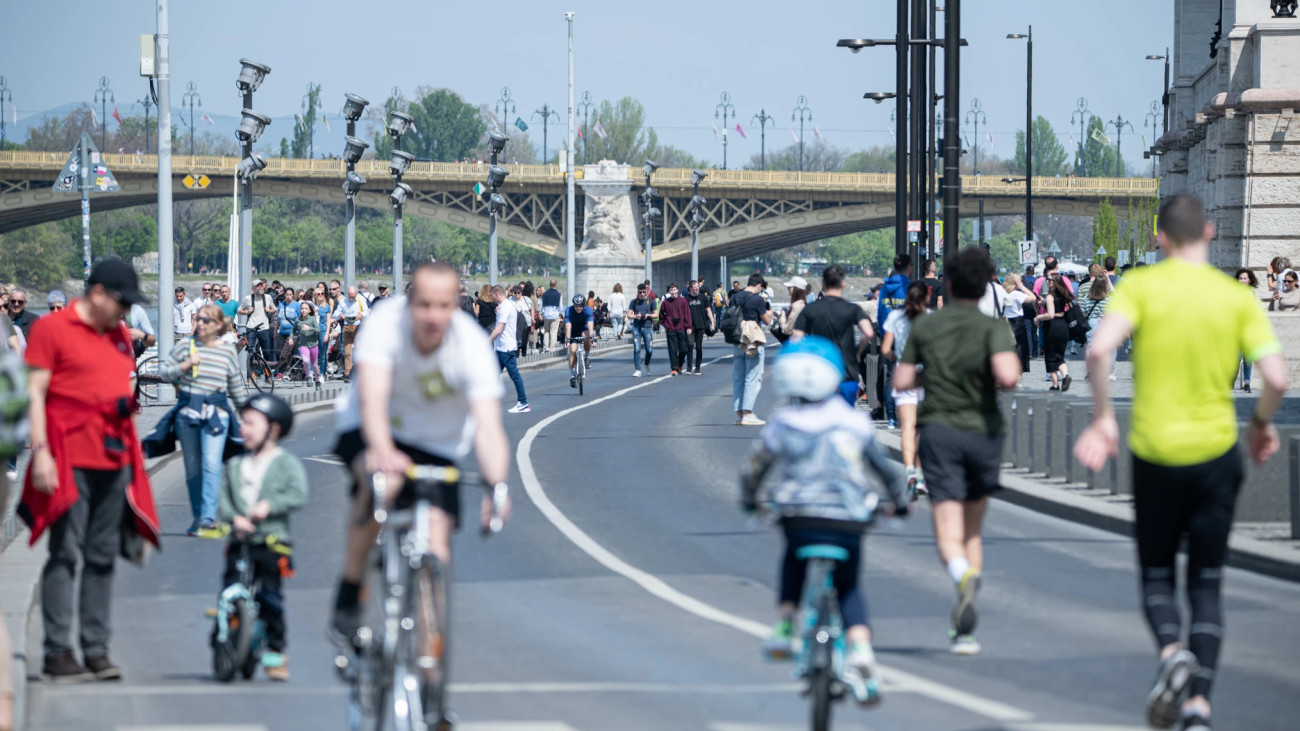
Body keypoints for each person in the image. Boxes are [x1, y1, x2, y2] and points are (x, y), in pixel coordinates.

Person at [1074, 195, 1287, 731]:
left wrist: (1103, 419)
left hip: (1156, 453)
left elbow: (1098, 351)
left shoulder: (1143, 286)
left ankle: (1171, 654)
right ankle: (1198, 708)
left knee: (1157, 576)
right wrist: (1260, 425)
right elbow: (1277, 378)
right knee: (1208, 584)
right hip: (1218, 454)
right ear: (1210, 233)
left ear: (1160, 238)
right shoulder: (1234, 295)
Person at [330, 263, 513, 645]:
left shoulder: (470, 344)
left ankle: (430, 676)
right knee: (383, 483)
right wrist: (382, 450)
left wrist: (497, 485)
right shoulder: (385, 325)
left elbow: (489, 427)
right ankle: (350, 591)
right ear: (409, 302)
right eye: (424, 305)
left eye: (443, 306)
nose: (433, 316)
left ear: (457, 303)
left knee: (437, 544)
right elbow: (372, 399)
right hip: (372, 425)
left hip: (436, 442)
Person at [740, 336, 909, 707]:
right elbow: (886, 472)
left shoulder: (784, 421)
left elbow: (755, 470)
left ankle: (786, 625)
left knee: (793, 560)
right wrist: (899, 505)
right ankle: (862, 652)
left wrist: (752, 502)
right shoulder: (853, 421)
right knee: (848, 585)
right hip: (848, 519)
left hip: (798, 516)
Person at [20, 259, 162, 683]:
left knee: (102, 555)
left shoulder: (118, 332)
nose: (126, 313)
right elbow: (35, 392)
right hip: (68, 453)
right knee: (65, 550)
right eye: (121, 303)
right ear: (97, 293)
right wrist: (40, 452)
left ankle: (96, 649)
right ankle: (58, 652)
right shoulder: (51, 329)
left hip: (114, 456)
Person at [893, 246, 1019, 656]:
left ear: (946, 283)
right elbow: (1008, 376)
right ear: (985, 286)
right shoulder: (993, 327)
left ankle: (961, 576)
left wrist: (936, 369)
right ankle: (965, 626)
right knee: (973, 529)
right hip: (983, 431)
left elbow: (902, 379)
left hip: (940, 431)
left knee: (947, 529)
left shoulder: (928, 327)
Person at [216, 394, 308, 682]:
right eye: (243, 422)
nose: (243, 428)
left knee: (271, 600)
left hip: (271, 543)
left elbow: (298, 493)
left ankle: (275, 653)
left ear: (274, 430)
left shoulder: (285, 463)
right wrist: (235, 517)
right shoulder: (234, 465)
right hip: (240, 541)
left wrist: (270, 505)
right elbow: (224, 500)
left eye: (251, 423)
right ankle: (222, 639)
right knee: (228, 593)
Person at [156, 304, 247, 534]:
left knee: (210, 464)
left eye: (206, 320)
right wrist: (185, 364)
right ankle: (198, 517)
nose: (201, 324)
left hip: (217, 413)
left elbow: (236, 387)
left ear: (218, 325)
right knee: (194, 468)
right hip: (188, 412)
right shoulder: (185, 345)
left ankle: (207, 517)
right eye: (198, 319)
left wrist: (248, 417)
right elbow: (165, 372)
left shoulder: (227, 350)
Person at [793, 265, 875, 409]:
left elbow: (796, 339)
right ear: (843, 284)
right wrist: (857, 352)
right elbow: (868, 332)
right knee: (844, 419)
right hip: (846, 373)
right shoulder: (852, 309)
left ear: (823, 284)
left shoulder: (810, 309)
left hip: (819, 373)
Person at [881, 281, 929, 496]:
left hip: (904, 375)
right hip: (926, 377)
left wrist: (895, 357)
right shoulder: (931, 318)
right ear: (926, 297)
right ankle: (919, 474)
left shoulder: (895, 317)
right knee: (922, 429)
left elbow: (885, 349)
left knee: (907, 428)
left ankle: (909, 471)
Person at [732, 273, 773, 426]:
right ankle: (748, 412)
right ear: (759, 285)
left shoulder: (736, 297)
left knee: (738, 376)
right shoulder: (757, 299)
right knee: (753, 376)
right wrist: (769, 313)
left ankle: (739, 411)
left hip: (737, 339)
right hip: (751, 340)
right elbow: (767, 321)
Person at [876, 255, 912, 425]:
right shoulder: (908, 286)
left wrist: (883, 333)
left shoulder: (884, 288)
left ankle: (890, 417)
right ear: (909, 267)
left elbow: (880, 312)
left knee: (891, 376)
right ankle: (905, 414)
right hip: (906, 335)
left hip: (887, 334)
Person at [487, 285, 531, 413]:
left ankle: (523, 402)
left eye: (492, 296)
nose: (491, 299)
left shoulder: (505, 307)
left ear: (496, 294)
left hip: (506, 348)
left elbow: (499, 329)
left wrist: (487, 342)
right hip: (502, 347)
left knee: (514, 375)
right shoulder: (506, 306)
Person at [1034, 273, 1075, 392]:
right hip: (1063, 326)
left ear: (1055, 282)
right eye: (1047, 280)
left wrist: (1038, 317)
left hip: (1052, 327)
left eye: (1050, 280)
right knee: (1060, 356)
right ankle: (1065, 375)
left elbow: (1051, 314)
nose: (1047, 282)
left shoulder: (1050, 296)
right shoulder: (1064, 294)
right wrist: (1043, 302)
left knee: (1051, 356)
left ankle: (1055, 385)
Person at [1081, 272, 1114, 381]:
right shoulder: (1108, 299)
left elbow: (1083, 311)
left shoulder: (1087, 298)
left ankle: (1090, 372)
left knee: (1090, 349)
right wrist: (1108, 280)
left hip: (1091, 324)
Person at [1001, 273, 1034, 374]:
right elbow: (1032, 297)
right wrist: (1021, 287)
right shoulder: (1016, 294)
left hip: (1005, 322)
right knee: (1020, 350)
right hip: (1018, 322)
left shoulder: (1003, 293)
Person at [239, 279, 277, 367]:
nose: (260, 287)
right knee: (250, 350)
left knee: (266, 352)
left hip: (264, 328)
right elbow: (239, 310)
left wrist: (269, 310)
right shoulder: (248, 298)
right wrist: (247, 312)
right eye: (257, 285)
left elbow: (275, 309)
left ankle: (267, 373)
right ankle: (251, 372)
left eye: (261, 285)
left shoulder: (267, 297)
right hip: (251, 327)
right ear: (253, 288)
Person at [333, 286, 367, 381]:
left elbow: (366, 311)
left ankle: (359, 372)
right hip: (347, 326)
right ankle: (347, 373)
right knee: (347, 352)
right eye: (350, 296)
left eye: (353, 296)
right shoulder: (343, 301)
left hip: (358, 326)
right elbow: (335, 314)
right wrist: (340, 315)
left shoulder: (360, 299)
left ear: (356, 294)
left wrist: (361, 315)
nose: (351, 298)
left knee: (358, 350)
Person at [1234, 268, 1259, 392]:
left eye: (1244, 278)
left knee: (1248, 359)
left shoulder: (1252, 293)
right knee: (1235, 359)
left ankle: (1247, 383)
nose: (1242, 280)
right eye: (1240, 278)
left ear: (1249, 280)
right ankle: (1231, 381)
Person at [660, 283, 692, 376]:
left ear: (677, 290)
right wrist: (665, 324)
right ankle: (674, 368)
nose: (673, 292)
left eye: (674, 289)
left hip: (681, 328)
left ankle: (680, 364)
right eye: (671, 290)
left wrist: (689, 326)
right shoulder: (666, 302)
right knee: (673, 350)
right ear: (669, 292)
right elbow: (661, 314)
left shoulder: (683, 301)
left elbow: (687, 314)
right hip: (670, 329)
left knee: (683, 350)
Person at [684, 280, 715, 374]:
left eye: (697, 287)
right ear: (690, 289)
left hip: (701, 325)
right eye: (695, 287)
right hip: (690, 326)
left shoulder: (703, 297)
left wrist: (712, 323)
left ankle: (697, 368)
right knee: (689, 345)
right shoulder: (686, 299)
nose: (697, 289)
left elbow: (709, 310)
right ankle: (689, 367)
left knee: (698, 347)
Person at [564, 294, 595, 388]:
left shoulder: (588, 310)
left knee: (586, 338)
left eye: (581, 306)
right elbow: (568, 326)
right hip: (573, 330)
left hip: (583, 329)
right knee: (573, 351)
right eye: (576, 306)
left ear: (584, 305)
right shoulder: (568, 310)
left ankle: (587, 357)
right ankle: (572, 376)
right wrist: (568, 340)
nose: (578, 308)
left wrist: (592, 338)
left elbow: (590, 325)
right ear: (573, 305)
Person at [627, 283, 657, 377]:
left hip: (647, 327)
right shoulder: (633, 302)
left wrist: (648, 315)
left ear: (646, 292)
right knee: (637, 348)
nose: (642, 294)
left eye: (644, 292)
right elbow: (629, 315)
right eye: (640, 292)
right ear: (638, 292)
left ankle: (646, 363)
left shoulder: (651, 302)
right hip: (636, 327)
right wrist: (636, 316)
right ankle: (638, 370)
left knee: (649, 350)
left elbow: (656, 314)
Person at [295, 301, 322, 388]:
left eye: (306, 309)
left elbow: (318, 330)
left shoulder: (313, 319)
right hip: (303, 344)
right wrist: (291, 338)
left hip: (313, 345)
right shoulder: (298, 320)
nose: (303, 310)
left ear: (310, 310)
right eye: (302, 308)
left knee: (315, 366)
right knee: (306, 361)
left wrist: (309, 328)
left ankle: (317, 381)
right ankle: (308, 376)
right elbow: (293, 330)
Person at [775, 276, 809, 345]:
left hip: (795, 344)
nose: (788, 289)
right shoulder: (803, 304)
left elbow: (787, 329)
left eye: (790, 287)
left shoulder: (797, 306)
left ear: (796, 289)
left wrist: (783, 315)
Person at [541, 280, 563, 349]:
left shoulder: (544, 294)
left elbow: (541, 305)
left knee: (546, 331)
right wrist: (560, 313)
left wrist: (542, 313)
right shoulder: (559, 295)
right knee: (553, 331)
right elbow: (560, 306)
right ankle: (552, 347)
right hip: (555, 315)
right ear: (556, 285)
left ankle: (546, 346)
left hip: (546, 315)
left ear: (549, 285)